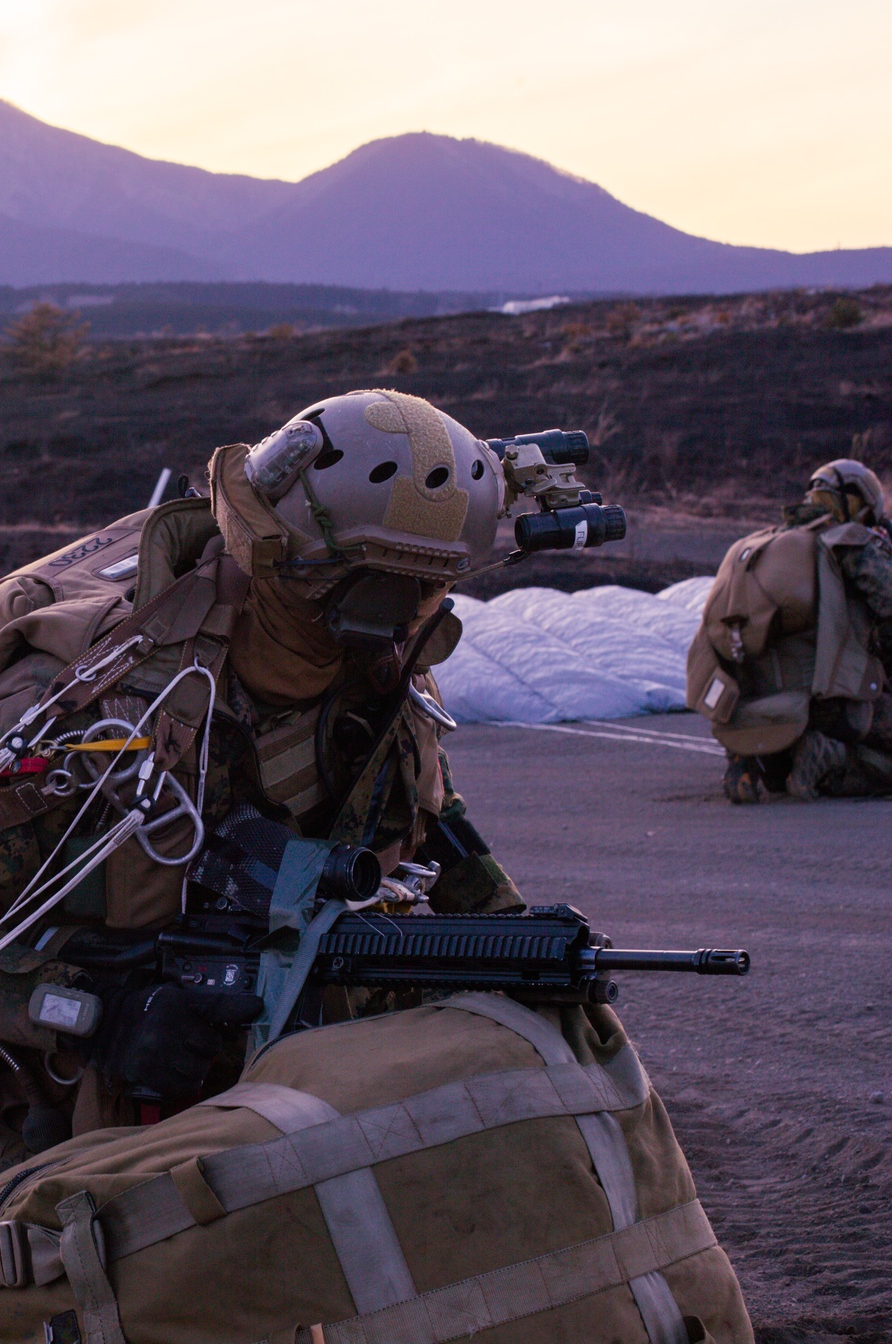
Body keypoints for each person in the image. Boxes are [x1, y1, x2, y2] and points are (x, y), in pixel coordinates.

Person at [0, 390, 527, 1164]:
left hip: (290, 1103)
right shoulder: (79, 712)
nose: (401, 612)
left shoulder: (384, 687)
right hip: (63, 1119)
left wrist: (512, 936)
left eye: (427, 585)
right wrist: (97, 1014)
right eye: (377, 583)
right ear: (274, 552)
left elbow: (430, 819)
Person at [686, 458, 892, 804]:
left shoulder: (753, 548)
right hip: (830, 703)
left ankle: (749, 761)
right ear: (858, 502)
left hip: (751, 702)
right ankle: (831, 758)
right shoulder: (848, 541)